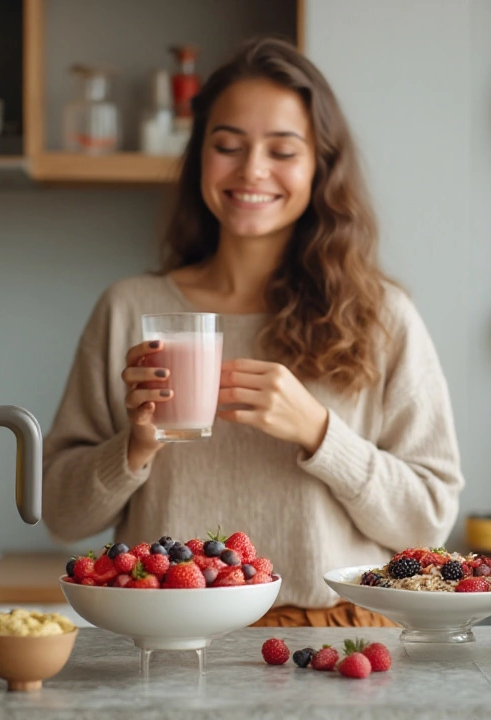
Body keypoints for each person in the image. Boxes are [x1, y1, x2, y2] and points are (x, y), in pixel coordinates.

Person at [41, 37, 464, 626]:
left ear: (321, 164)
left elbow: (429, 520)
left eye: (283, 150)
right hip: (166, 631)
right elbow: (61, 513)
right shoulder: (130, 307)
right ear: (200, 159)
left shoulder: (381, 314)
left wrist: (320, 434)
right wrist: (133, 448)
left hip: (335, 639)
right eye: (228, 146)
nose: (252, 170)